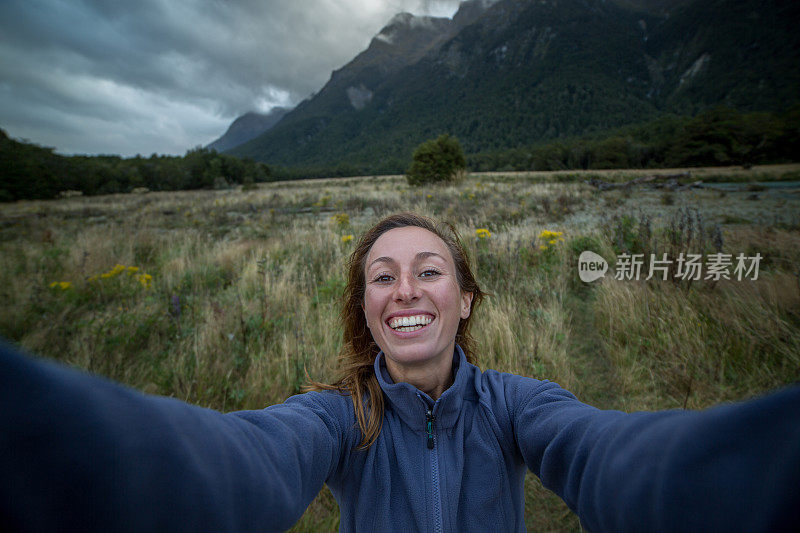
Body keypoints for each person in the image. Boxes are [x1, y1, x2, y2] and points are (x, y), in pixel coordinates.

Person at [1, 212, 798, 532]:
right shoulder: (333, 415)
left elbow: (611, 453)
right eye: (383, 275)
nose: (407, 289)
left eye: (429, 270)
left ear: (467, 298)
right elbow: (238, 458)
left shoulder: (518, 404)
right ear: (366, 304)